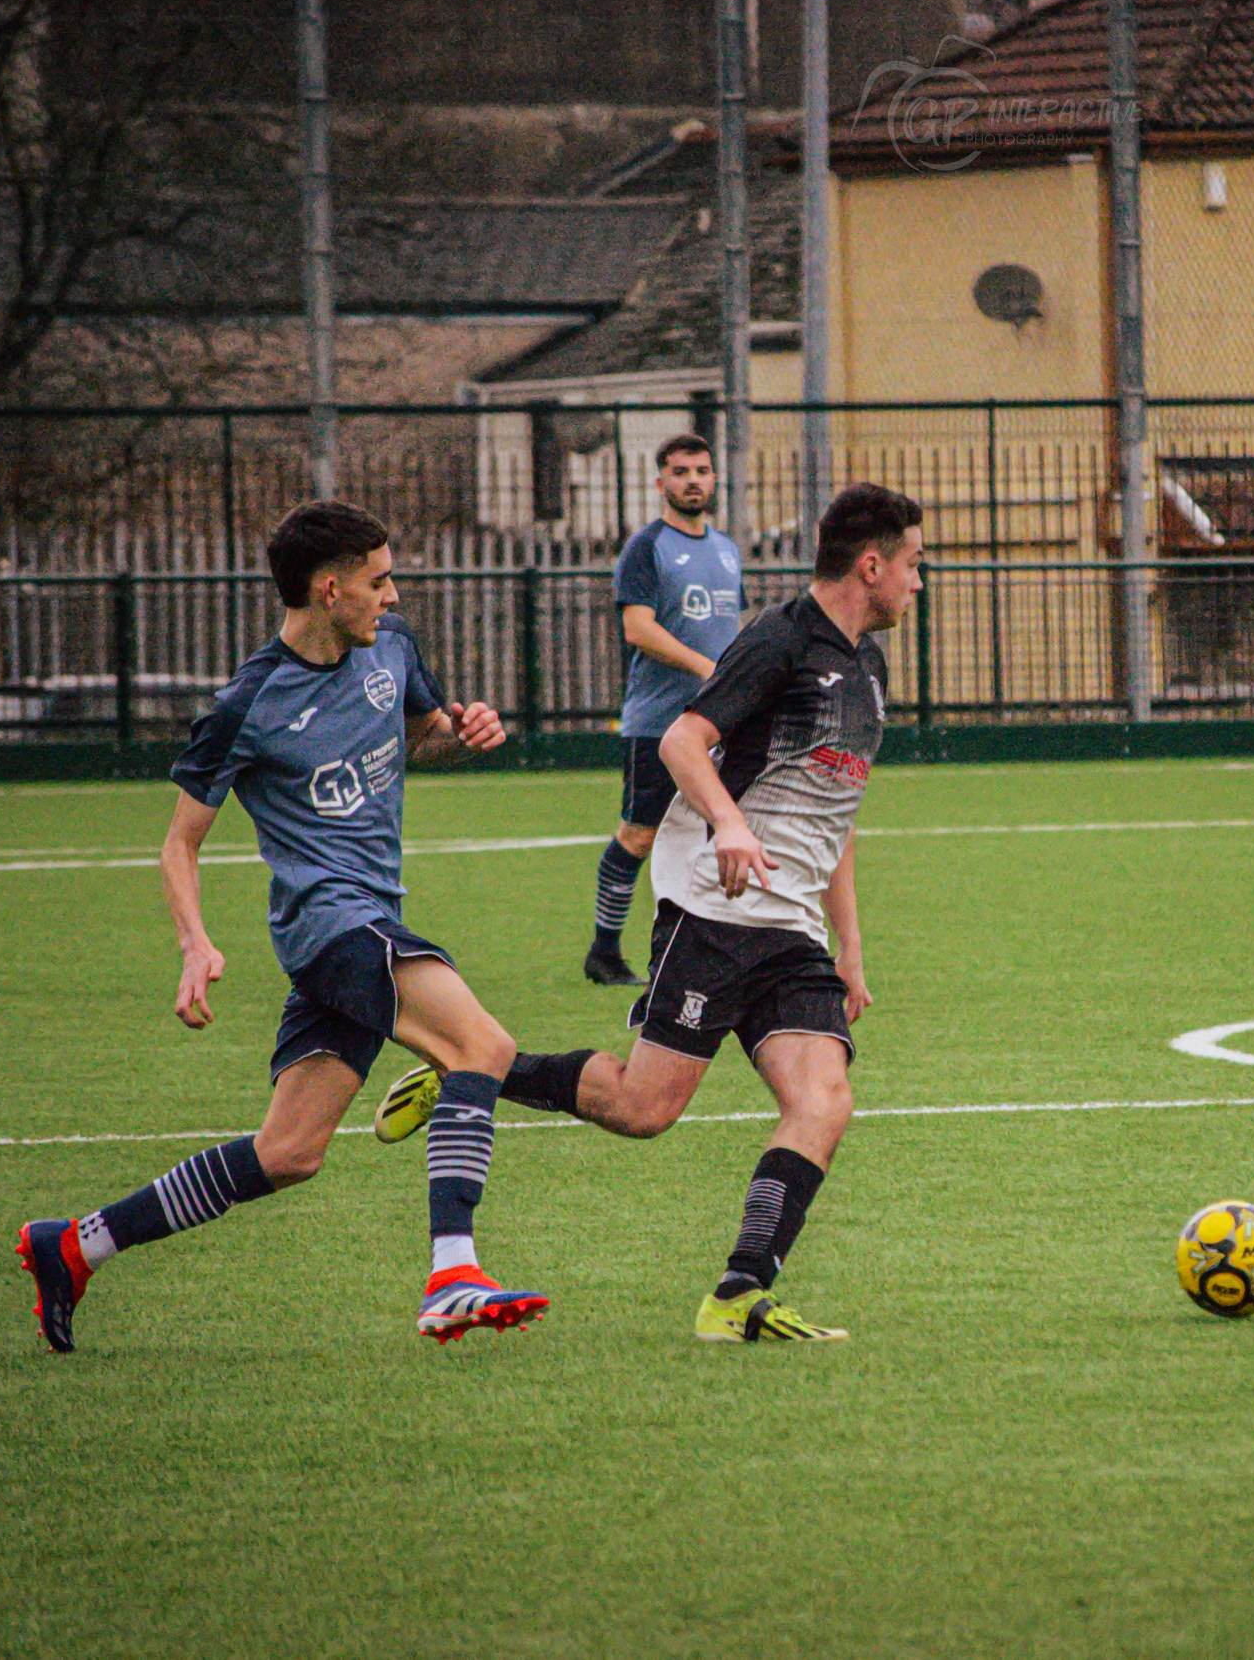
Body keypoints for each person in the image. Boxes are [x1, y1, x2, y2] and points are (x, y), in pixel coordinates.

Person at [377, 483, 925, 1343]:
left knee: (824, 1100)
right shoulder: (777, 642)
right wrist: (732, 822)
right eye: (913, 564)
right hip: (713, 910)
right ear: (871, 564)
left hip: (792, 935)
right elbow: (680, 741)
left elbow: (834, 813)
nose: (917, 583)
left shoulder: (867, 665)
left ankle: (739, 1293)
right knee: (644, 1108)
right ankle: (475, 1067)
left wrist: (850, 947)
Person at [14, 500, 548, 1354]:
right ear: (328, 589)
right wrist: (195, 940)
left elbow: (423, 737)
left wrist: (465, 730)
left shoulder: (393, 646)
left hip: (371, 916)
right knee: (479, 1046)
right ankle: (454, 1272)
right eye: (378, 581)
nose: (393, 593)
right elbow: (179, 843)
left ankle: (76, 1244)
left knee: (289, 1151)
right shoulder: (248, 702)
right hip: (332, 926)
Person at [586, 432, 744, 986]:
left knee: (718, 833)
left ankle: (702, 952)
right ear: (661, 482)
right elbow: (638, 627)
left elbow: (730, 630)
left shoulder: (726, 549)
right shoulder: (646, 547)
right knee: (639, 835)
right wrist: (707, 669)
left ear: (714, 478)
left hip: (719, 723)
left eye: (702, 470)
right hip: (658, 722)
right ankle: (604, 950)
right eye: (681, 472)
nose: (693, 480)